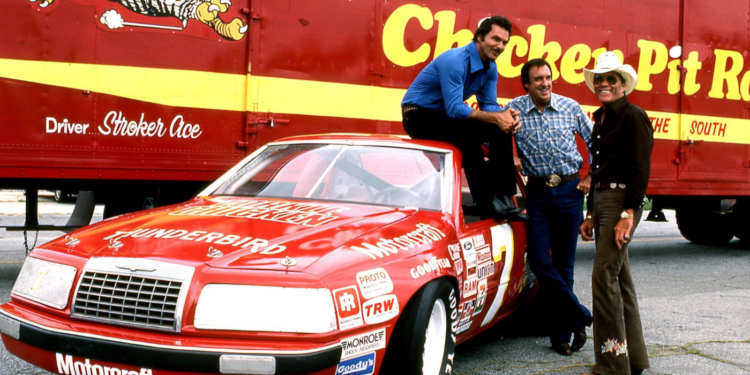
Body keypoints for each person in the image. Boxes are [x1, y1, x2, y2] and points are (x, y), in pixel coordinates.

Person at [504, 58, 593, 356]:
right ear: (526, 84)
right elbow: (496, 137)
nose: (544, 83)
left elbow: (598, 143)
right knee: (540, 261)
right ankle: (580, 315)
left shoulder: (570, 107)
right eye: (538, 79)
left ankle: (560, 336)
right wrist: (510, 153)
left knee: (564, 265)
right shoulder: (514, 109)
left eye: (548, 77)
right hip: (538, 192)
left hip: (570, 190)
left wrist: (591, 176)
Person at [401, 16, 525, 221]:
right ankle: (487, 204)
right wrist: (497, 117)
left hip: (444, 117)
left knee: (501, 128)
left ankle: (503, 197)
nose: (500, 46)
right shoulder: (455, 60)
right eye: (495, 39)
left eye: (505, 42)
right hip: (417, 115)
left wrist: (506, 117)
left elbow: (489, 106)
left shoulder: (491, 68)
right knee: (468, 137)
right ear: (479, 37)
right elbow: (454, 109)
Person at [579, 51, 653, 375]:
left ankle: (611, 366)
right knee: (620, 281)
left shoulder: (633, 116)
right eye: (600, 79)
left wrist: (628, 214)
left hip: (622, 200)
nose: (604, 83)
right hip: (603, 199)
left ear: (623, 84)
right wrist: (592, 212)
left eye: (611, 79)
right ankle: (634, 360)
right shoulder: (602, 117)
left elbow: (640, 169)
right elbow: (598, 169)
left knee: (603, 277)